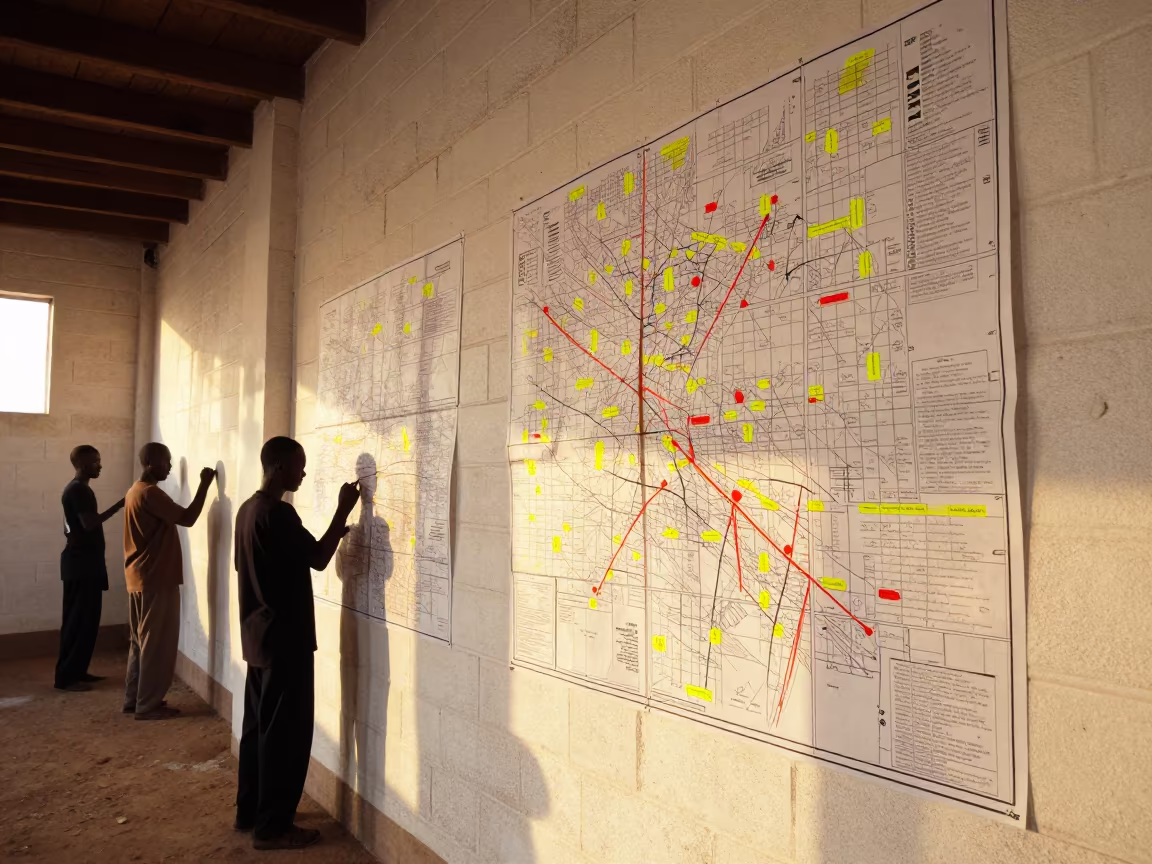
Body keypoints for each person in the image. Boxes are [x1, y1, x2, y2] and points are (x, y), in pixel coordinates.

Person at [234, 436, 358, 850]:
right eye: (298, 465)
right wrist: (342, 510)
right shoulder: (278, 514)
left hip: (257, 640)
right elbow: (320, 556)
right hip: (286, 642)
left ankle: (250, 811)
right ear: (278, 467)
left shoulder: (246, 511)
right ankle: (273, 828)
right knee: (284, 736)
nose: (303, 473)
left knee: (257, 729)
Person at [122, 442, 216, 720]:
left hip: (139, 577)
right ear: (151, 462)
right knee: (156, 644)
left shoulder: (134, 490)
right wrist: (204, 485)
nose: (170, 467)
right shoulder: (150, 493)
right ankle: (147, 705)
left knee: (140, 642)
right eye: (166, 462)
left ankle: (135, 699)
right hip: (155, 578)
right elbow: (187, 518)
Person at [55, 445, 124, 692]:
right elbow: (88, 523)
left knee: (86, 621)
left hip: (83, 565)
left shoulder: (77, 489)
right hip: (81, 565)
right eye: (96, 462)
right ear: (83, 464)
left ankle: (77, 671)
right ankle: (66, 678)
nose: (100, 466)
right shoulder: (79, 491)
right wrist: (119, 506)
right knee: (78, 621)